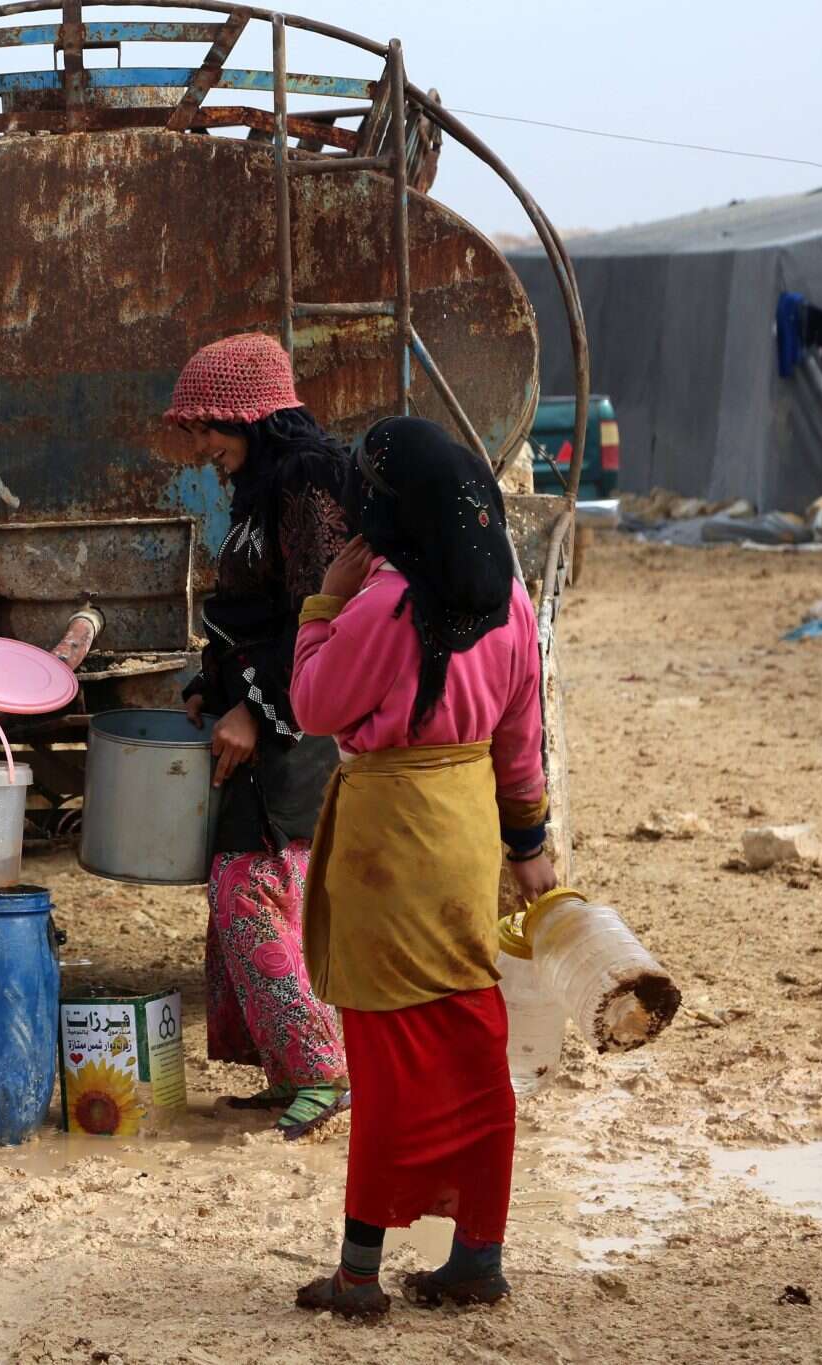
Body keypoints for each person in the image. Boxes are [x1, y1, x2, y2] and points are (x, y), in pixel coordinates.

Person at [287, 415, 557, 1317]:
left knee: (387, 1055)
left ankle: (359, 1274)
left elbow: (316, 703)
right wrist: (529, 850)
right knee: (474, 1043)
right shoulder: (509, 601)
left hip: (387, 844)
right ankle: (478, 1254)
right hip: (466, 833)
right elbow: (522, 747)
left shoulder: (383, 602)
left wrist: (323, 601)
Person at [164, 332, 355, 1140]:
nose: (202, 447)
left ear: (251, 414)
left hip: (296, 722)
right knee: (245, 881)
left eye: (209, 427)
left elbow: (320, 615)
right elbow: (247, 607)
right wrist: (213, 687)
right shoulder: (258, 489)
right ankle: (289, 1072)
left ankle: (322, 1069)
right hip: (253, 715)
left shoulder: (308, 485)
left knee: (255, 885)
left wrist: (257, 706)